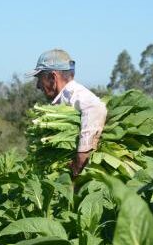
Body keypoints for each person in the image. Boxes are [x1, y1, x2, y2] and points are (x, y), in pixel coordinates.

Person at [28, 49, 107, 178]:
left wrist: (82, 155)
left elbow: (96, 108)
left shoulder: (77, 96)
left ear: (53, 77)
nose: (38, 85)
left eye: (39, 79)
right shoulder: (62, 99)